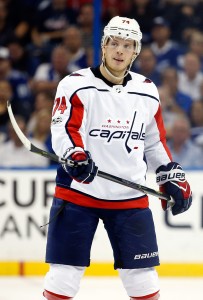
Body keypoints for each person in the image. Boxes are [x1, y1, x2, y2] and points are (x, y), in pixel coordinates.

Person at [43, 16, 192, 300]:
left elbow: (154, 142)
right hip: (79, 193)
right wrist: (75, 154)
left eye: (127, 45)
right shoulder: (75, 84)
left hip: (129, 196)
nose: (120, 50)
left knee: (143, 280)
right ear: (103, 46)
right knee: (64, 275)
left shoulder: (147, 89)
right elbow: (64, 128)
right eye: (114, 43)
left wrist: (170, 173)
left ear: (136, 51)